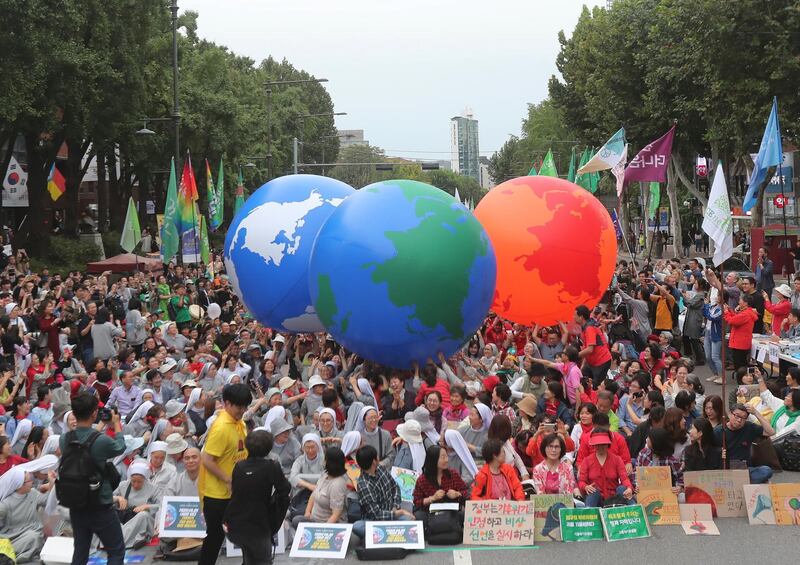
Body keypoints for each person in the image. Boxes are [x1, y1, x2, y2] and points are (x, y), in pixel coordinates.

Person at [61, 392, 127, 565]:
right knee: (116, 551)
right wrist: (116, 423)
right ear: (94, 414)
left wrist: (100, 425)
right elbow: (120, 446)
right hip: (100, 503)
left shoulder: (64, 438)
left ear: (74, 413)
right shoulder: (102, 441)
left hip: (75, 503)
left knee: (80, 552)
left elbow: (85, 440)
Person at [198, 383, 252, 565]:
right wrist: (227, 479)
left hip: (236, 490)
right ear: (227, 403)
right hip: (217, 495)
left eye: (245, 406)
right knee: (215, 537)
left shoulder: (239, 423)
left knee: (245, 533)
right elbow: (206, 460)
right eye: (239, 406)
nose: (242, 410)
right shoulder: (221, 427)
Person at [224, 429, 290, 565]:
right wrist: (274, 506)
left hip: (237, 520)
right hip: (259, 522)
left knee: (248, 557)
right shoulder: (272, 466)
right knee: (263, 560)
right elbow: (284, 489)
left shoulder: (239, 466)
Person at [353, 445, 414, 539]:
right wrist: (399, 512)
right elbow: (376, 514)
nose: (378, 458)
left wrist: (395, 506)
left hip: (392, 514)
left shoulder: (381, 469)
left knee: (410, 521)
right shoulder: (363, 484)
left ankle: (381, 536)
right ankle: (390, 534)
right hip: (374, 522)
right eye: (377, 456)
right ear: (374, 461)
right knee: (357, 526)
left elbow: (395, 487)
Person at [714, 403, 775, 484]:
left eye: (743, 418)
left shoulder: (749, 427)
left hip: (745, 470)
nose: (739, 420)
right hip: (726, 469)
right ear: (729, 414)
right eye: (737, 416)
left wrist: (756, 413)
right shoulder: (718, 431)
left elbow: (771, 432)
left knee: (766, 470)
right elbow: (709, 452)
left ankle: (739, 482)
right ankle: (743, 482)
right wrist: (719, 453)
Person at [0, 468, 52, 562]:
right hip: (15, 539)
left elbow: (48, 500)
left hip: (35, 534)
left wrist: (51, 484)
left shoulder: (32, 493)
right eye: (29, 480)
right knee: (33, 537)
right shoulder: (5, 505)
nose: (32, 482)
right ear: (20, 485)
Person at [293, 447, 349, 527]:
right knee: (296, 519)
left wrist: (322, 530)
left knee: (297, 521)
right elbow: (314, 494)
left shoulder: (338, 484)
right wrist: (307, 512)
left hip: (329, 524)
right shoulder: (325, 475)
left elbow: (336, 515)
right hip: (315, 520)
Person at [412, 445, 468, 524]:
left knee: (463, 514)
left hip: (451, 512)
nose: (446, 460)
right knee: (419, 516)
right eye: (443, 457)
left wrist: (457, 494)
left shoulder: (453, 474)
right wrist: (432, 498)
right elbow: (417, 501)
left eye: (446, 456)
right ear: (433, 460)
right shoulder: (422, 480)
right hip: (430, 513)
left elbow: (466, 492)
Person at [578, 431, 635, 508]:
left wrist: (629, 488)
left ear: (608, 444)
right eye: (597, 445)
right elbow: (581, 481)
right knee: (593, 491)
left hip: (614, 499)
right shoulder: (587, 461)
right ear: (593, 445)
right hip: (596, 499)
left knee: (622, 488)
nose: (600, 447)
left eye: (603, 444)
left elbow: (624, 478)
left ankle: (635, 510)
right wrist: (586, 487)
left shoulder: (617, 459)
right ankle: (589, 513)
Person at [112, 459, 161, 549]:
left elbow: (162, 506)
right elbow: (108, 498)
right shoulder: (123, 485)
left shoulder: (153, 488)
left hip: (143, 519)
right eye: (133, 481)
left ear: (145, 479)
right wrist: (118, 498)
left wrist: (147, 506)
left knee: (143, 515)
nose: (136, 484)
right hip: (125, 519)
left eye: (139, 482)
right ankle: (125, 539)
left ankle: (117, 541)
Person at [530, 433, 580, 497]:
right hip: (545, 504)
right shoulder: (537, 469)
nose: (553, 450)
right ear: (544, 448)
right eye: (550, 446)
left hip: (565, 503)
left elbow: (569, 493)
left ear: (561, 449)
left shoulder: (568, 468)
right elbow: (540, 494)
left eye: (557, 447)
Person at [575, 305, 613, 387]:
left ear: (581, 317)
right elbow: (587, 349)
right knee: (583, 381)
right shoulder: (586, 327)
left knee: (596, 386)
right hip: (592, 362)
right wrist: (583, 366)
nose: (573, 317)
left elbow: (589, 349)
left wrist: (574, 355)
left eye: (575, 315)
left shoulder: (589, 328)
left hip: (601, 361)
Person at [723, 294, 759, 372]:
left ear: (745, 303)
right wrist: (729, 311)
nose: (739, 301)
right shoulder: (746, 313)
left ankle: (742, 380)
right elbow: (736, 318)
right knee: (741, 364)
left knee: (739, 366)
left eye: (740, 300)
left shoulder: (745, 314)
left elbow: (732, 321)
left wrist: (726, 312)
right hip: (741, 343)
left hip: (739, 343)